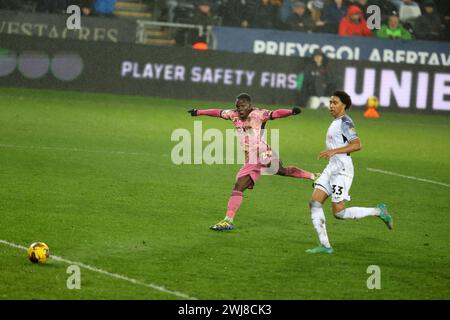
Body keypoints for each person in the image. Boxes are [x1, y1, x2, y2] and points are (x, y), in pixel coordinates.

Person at [188, 93, 317, 231]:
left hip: (262, 152)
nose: (240, 109)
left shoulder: (259, 114)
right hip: (251, 158)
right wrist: (198, 112)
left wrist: (290, 112)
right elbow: (217, 112)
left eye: (243, 106)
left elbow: (276, 114)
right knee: (251, 182)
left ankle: (227, 220)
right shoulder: (233, 115)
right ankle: (314, 176)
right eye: (238, 107)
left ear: (249, 105)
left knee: (274, 173)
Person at [306, 91, 393, 254]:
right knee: (314, 202)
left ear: (344, 105)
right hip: (332, 168)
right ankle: (325, 246)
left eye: (335, 103)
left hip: (342, 170)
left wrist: (334, 151)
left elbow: (357, 144)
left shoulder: (346, 122)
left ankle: (378, 211)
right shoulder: (335, 122)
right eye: (331, 102)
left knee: (339, 213)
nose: (331, 105)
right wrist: (332, 153)